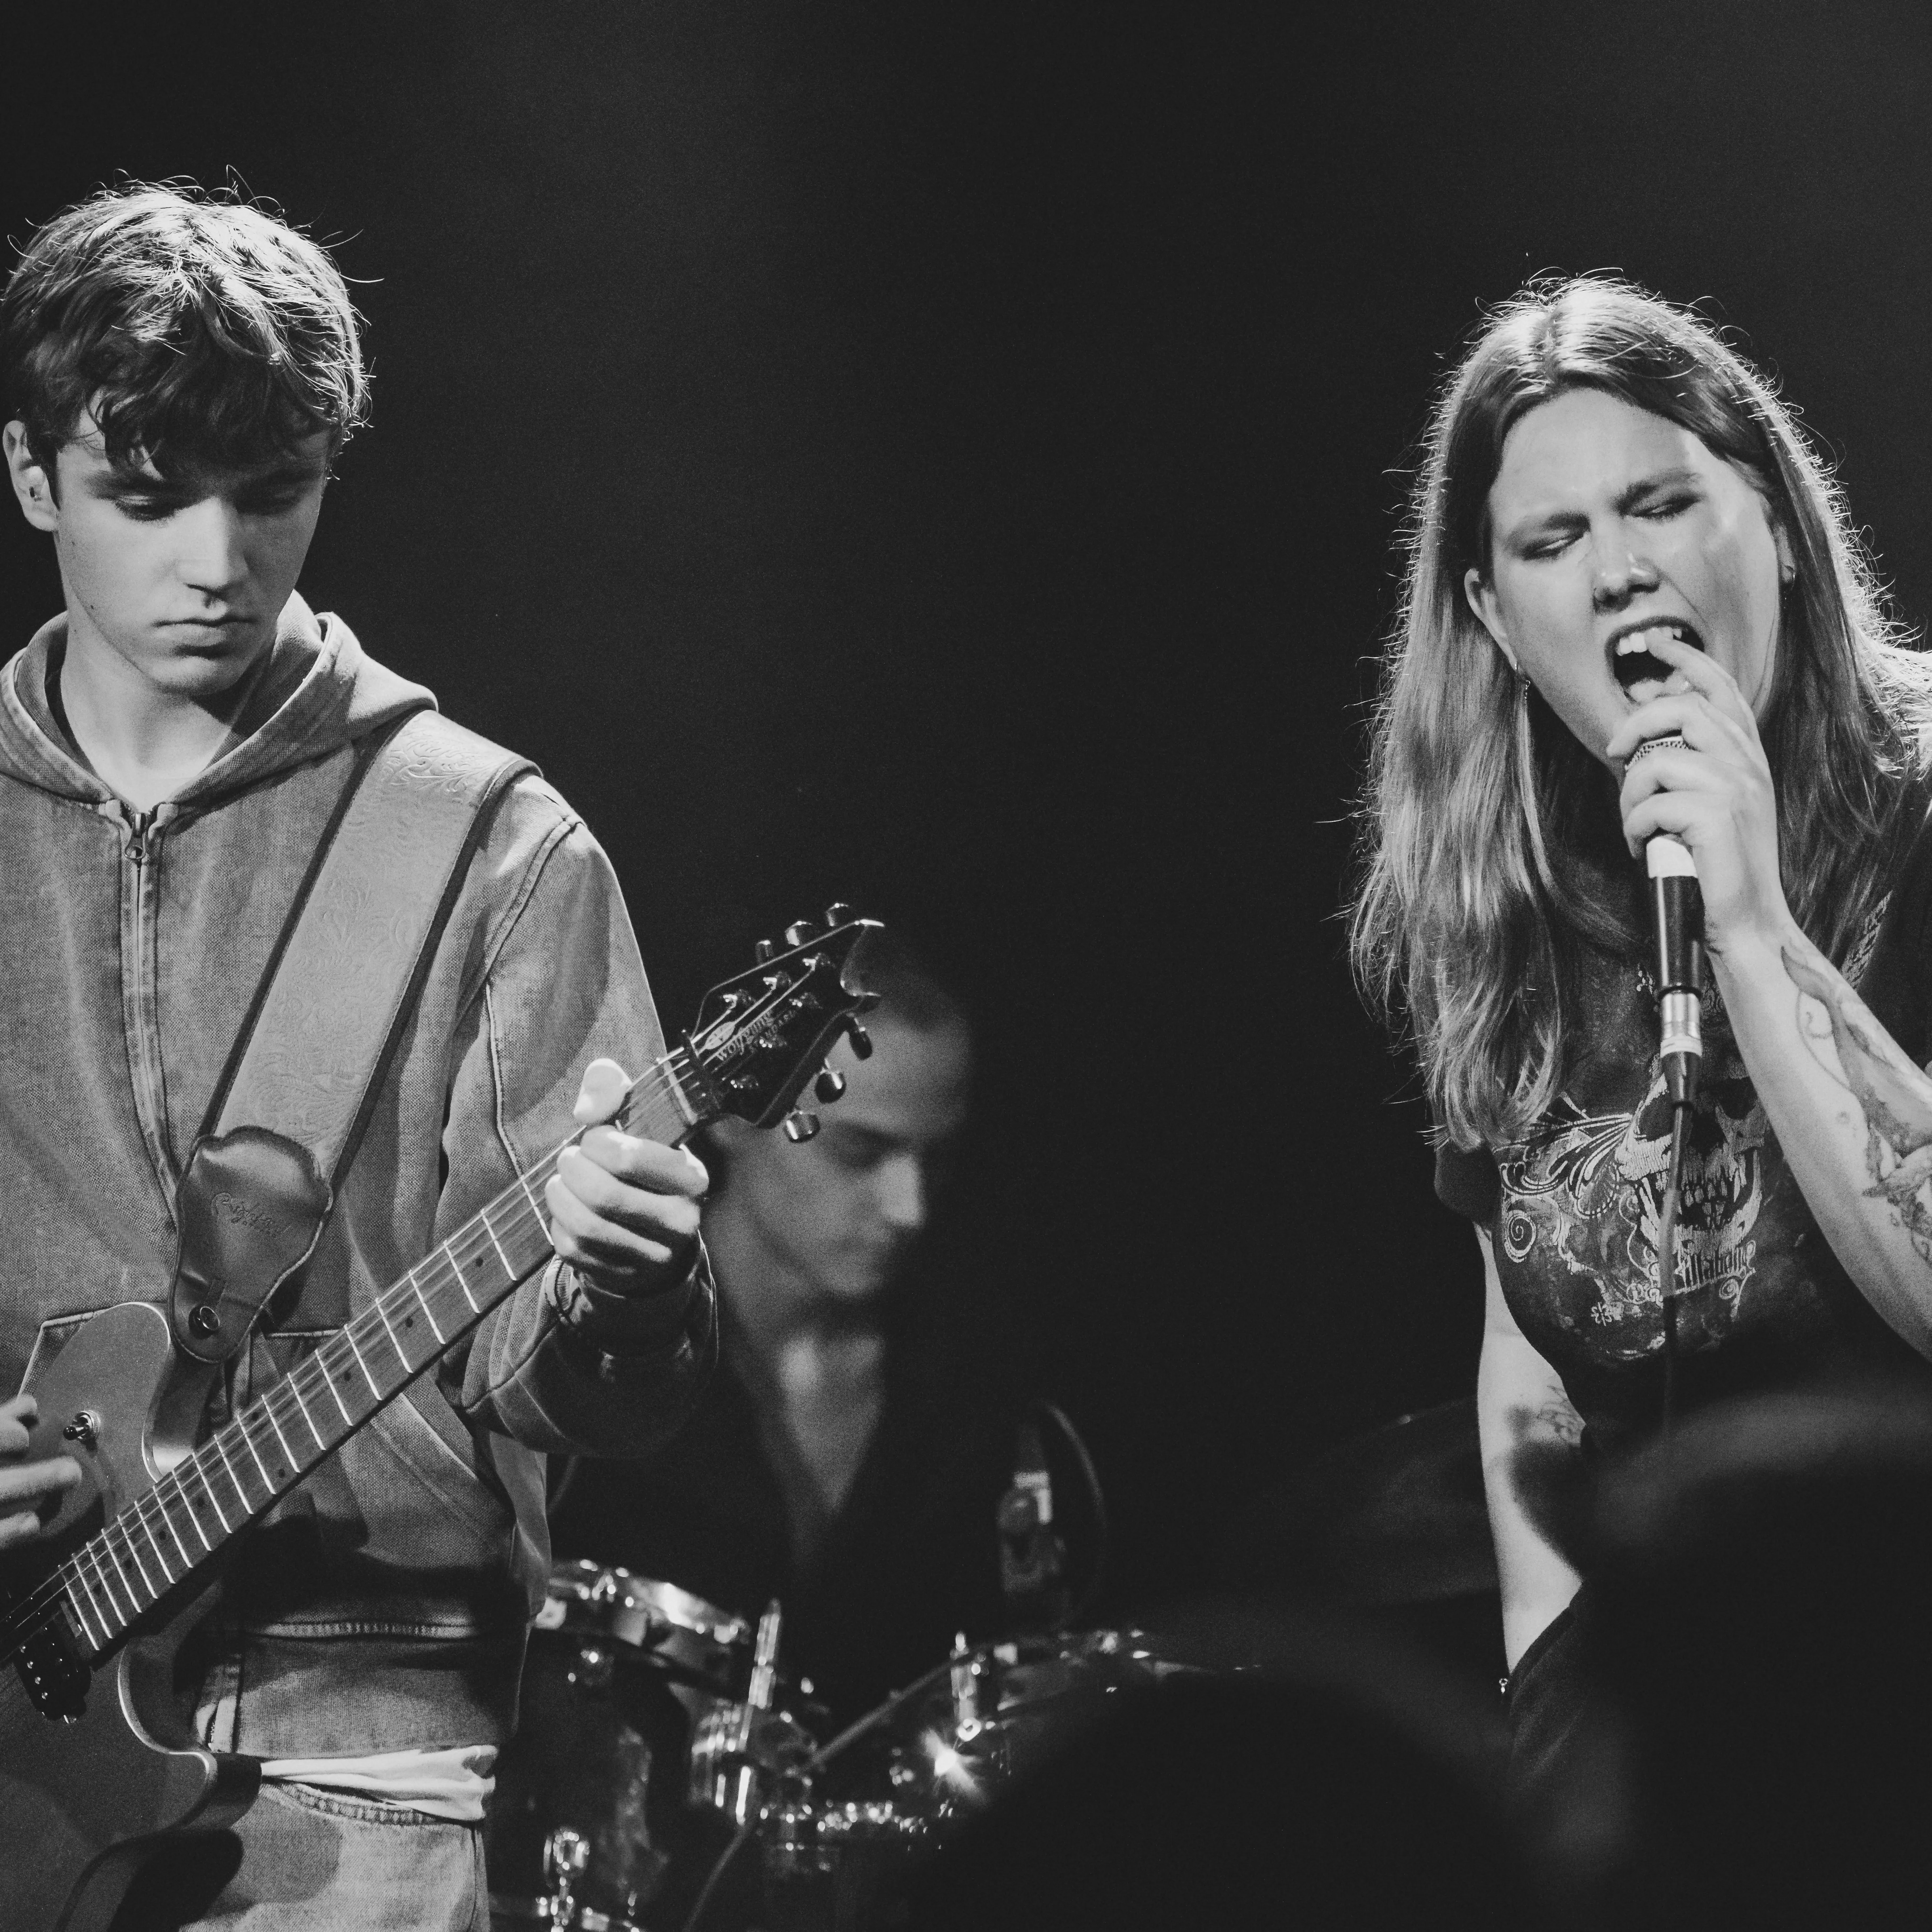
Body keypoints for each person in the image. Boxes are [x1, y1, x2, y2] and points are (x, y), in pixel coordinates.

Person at [0, 185, 714, 1928]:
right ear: (31, 476)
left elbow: (584, 1397)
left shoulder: (487, 846)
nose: (219, 560)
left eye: (274, 492)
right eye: (150, 497)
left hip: (362, 1765)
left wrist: (627, 1296)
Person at [1348, 277, 1932, 1801]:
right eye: (1552, 542)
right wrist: (1545, 1677)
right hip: (1669, 1726)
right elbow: (1528, 1355)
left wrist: (1752, 926)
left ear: (1778, 525)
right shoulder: (1502, 892)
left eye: (1661, 505)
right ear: (1494, 617)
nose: (1617, 574)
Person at [550, 929, 1017, 1722]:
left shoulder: (970, 1383)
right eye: (860, 1151)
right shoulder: (594, 1342)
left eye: (935, 1159)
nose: (909, 1208)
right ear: (737, 1113)